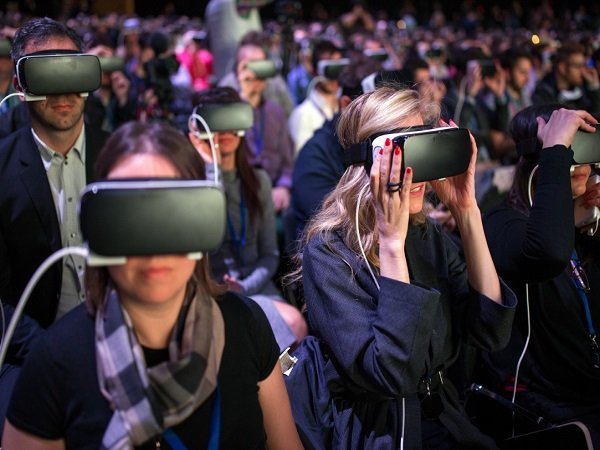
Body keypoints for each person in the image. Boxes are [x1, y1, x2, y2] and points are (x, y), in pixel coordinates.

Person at [2, 121, 303, 450]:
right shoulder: (55, 362)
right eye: (131, 217)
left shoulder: (246, 326)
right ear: (100, 227)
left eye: (170, 215)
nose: (154, 247)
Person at [286, 86, 517, 449]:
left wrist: (466, 212)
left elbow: (490, 332)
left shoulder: (426, 234)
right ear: (370, 161)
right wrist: (392, 244)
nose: (414, 175)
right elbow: (392, 374)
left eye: (423, 153)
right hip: (383, 432)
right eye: (402, 157)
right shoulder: (329, 252)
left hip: (445, 418)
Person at [479, 105, 600, 444]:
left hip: (587, 392)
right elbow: (548, 252)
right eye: (569, 148)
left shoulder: (586, 225)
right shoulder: (502, 224)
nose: (583, 163)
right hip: (550, 407)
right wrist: (555, 156)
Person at [188, 87, 307, 351]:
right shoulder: (193, 185)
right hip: (210, 291)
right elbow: (206, 240)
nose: (226, 131)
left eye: (232, 119)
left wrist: (244, 287)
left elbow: (269, 254)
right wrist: (211, 167)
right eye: (217, 121)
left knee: (295, 326)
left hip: (256, 286)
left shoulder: (258, 181)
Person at [532, 41, 600, 113]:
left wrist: (594, 87)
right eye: (578, 66)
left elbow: (595, 116)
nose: (583, 71)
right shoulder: (544, 93)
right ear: (563, 68)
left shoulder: (581, 88)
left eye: (584, 65)